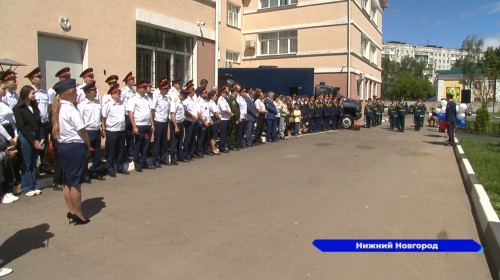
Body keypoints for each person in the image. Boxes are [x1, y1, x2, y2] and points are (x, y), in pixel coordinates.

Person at [52, 78, 91, 225]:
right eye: (75, 92)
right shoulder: (70, 109)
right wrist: (88, 145)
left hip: (63, 146)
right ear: (68, 94)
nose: (76, 95)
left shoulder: (58, 107)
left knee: (67, 181)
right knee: (75, 183)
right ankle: (79, 214)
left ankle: (71, 210)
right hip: (74, 147)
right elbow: (82, 131)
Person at [13, 85, 44, 196]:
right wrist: (33, 140)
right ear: (26, 94)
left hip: (36, 134)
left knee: (34, 161)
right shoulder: (18, 108)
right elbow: (21, 126)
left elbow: (39, 123)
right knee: (27, 162)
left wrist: (41, 137)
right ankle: (26, 187)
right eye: (32, 93)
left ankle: (33, 185)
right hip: (26, 136)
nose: (34, 95)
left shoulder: (34, 106)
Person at [25, 67, 52, 175]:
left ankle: (44, 165)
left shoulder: (44, 91)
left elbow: (49, 107)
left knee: (44, 144)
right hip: (35, 122)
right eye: (38, 77)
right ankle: (34, 167)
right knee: (35, 145)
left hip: (44, 122)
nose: (41, 78)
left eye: (41, 76)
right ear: (32, 79)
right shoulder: (29, 91)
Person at [77, 81, 105, 182]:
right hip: (87, 131)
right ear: (88, 92)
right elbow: (80, 120)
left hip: (97, 130)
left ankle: (95, 172)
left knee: (97, 153)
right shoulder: (82, 105)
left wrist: (102, 128)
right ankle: (85, 174)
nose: (96, 91)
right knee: (86, 154)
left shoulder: (97, 103)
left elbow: (100, 117)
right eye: (94, 90)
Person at [102, 84, 129, 177]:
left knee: (121, 150)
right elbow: (104, 118)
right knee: (111, 150)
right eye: (117, 93)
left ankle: (120, 167)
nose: (119, 95)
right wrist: (103, 128)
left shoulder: (123, 103)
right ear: (112, 94)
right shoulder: (108, 105)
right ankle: (110, 169)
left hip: (121, 129)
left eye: (119, 93)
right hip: (112, 130)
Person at [128, 80, 155, 171]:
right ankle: (137, 164)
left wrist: (152, 124)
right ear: (138, 88)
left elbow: (150, 112)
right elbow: (131, 113)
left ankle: (144, 162)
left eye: (145, 87)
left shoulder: (147, 98)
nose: (145, 89)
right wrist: (134, 126)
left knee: (146, 145)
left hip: (147, 124)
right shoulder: (133, 98)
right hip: (139, 125)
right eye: (143, 87)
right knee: (138, 144)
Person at [151, 80, 170, 167]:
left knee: (164, 141)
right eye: (165, 89)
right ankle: (156, 160)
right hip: (158, 121)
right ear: (161, 89)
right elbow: (153, 111)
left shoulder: (167, 99)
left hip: (164, 121)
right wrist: (153, 123)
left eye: (167, 89)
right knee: (157, 142)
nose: (167, 90)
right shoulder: (157, 98)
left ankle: (163, 158)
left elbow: (168, 110)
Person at [169, 89, 188, 164]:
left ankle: (180, 156)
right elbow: (172, 114)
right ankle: (173, 159)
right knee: (174, 141)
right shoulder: (175, 101)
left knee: (180, 141)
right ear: (181, 94)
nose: (186, 97)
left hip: (180, 123)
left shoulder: (181, 102)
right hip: (175, 123)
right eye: (185, 96)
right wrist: (176, 126)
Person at [120, 71, 136, 158]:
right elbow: (121, 103)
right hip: (126, 115)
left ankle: (131, 151)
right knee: (125, 134)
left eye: (133, 79)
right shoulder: (124, 91)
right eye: (132, 79)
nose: (133, 80)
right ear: (127, 81)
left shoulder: (134, 91)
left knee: (131, 134)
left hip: (132, 115)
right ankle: (124, 153)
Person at [218, 86, 232, 152]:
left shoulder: (224, 99)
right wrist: (230, 113)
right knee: (223, 134)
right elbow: (224, 109)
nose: (226, 94)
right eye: (225, 93)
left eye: (226, 93)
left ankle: (223, 145)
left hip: (226, 118)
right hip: (223, 119)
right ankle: (222, 147)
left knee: (225, 134)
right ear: (222, 93)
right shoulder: (220, 99)